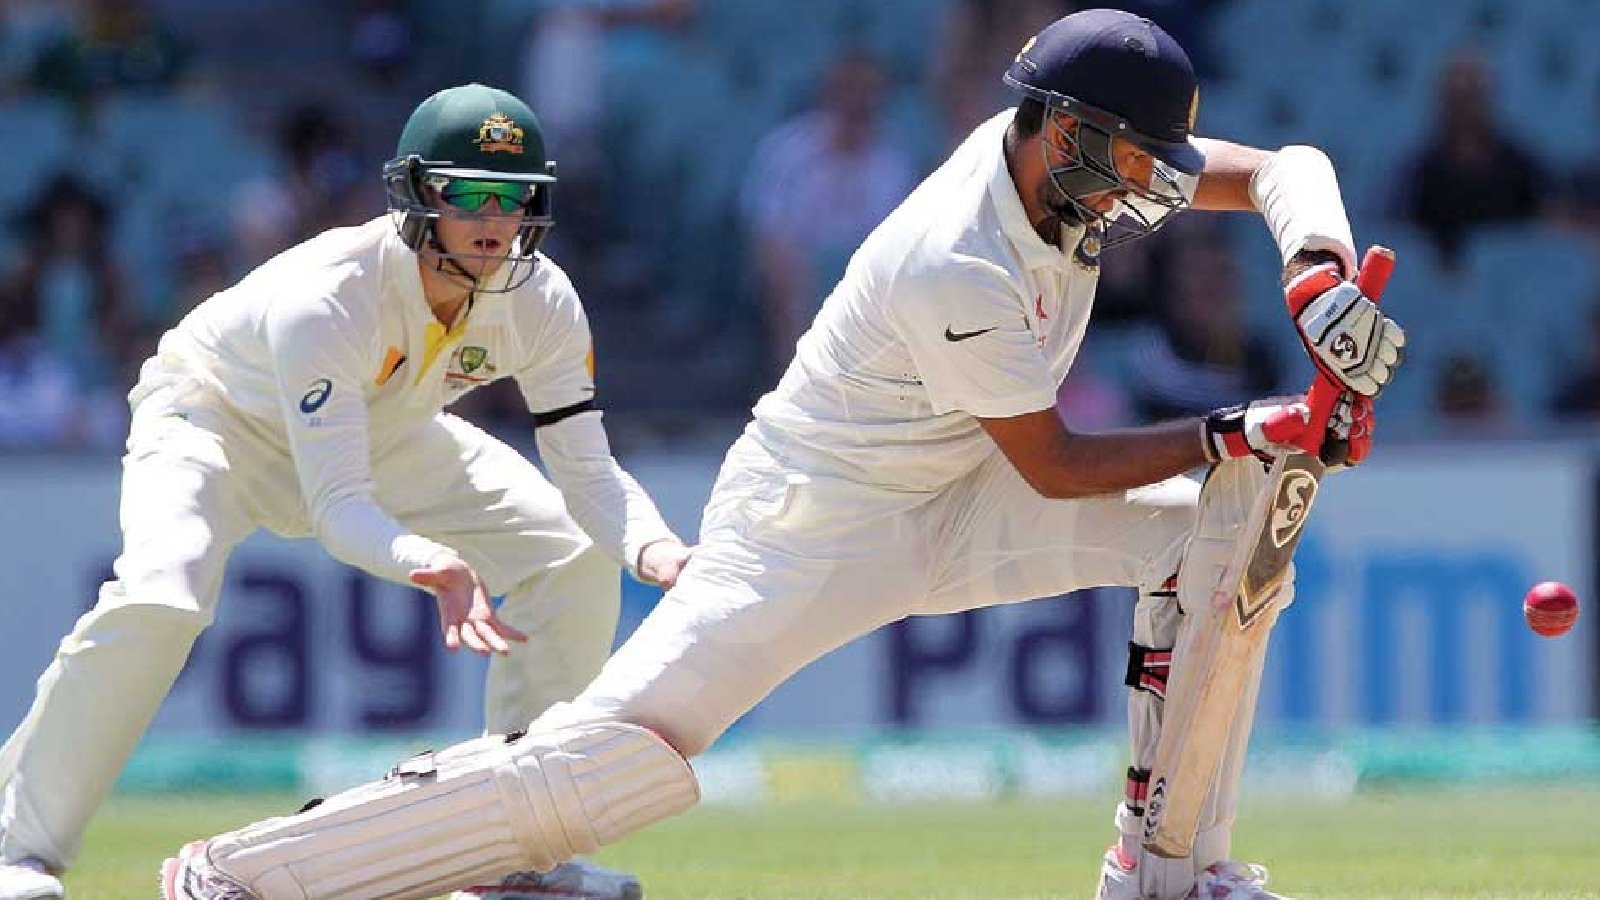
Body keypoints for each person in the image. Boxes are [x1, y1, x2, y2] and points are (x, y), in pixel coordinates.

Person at [158, 11, 1406, 900]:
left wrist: (1314, 272)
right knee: (614, 763)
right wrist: (1248, 425)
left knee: (1227, 528)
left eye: (1154, 165)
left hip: (955, 491)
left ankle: (1170, 876)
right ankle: (252, 874)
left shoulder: (1065, 168)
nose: (1147, 190)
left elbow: (1286, 168)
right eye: (1131, 160)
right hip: (816, 521)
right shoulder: (957, 259)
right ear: (1060, 132)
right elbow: (1057, 465)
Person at [0, 83, 694, 900]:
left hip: (386, 425)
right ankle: (17, 847)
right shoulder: (329, 295)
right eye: (467, 193)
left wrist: (658, 551)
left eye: (511, 197)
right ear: (417, 195)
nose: (492, 220)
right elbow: (336, 510)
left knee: (569, 556)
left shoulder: (541, 300)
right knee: (162, 595)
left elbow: (586, 469)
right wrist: (428, 560)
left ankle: (517, 852)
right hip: (216, 421)